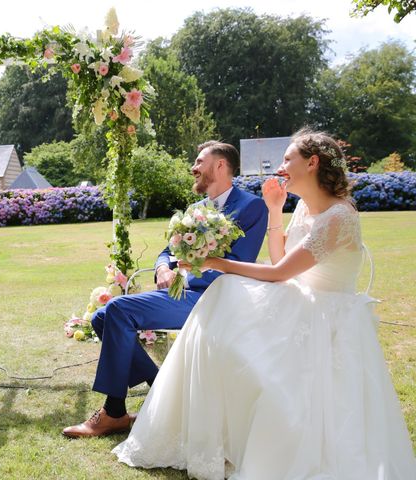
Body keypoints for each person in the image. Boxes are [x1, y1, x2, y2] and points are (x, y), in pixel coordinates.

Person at [113, 129, 416, 479]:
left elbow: (280, 272)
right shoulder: (303, 206)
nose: (282, 165)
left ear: (312, 163)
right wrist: (275, 209)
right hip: (298, 301)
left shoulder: (340, 217)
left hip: (328, 317)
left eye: (288, 159)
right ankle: (214, 429)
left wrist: (218, 263)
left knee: (226, 291)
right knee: (223, 302)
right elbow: (280, 256)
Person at [63, 141, 268, 438]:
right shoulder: (196, 209)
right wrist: (162, 267)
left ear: (221, 166)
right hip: (180, 293)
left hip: (215, 296)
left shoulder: (251, 206)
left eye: (200, 161)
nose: (194, 167)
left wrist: (198, 261)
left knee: (118, 309)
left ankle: (114, 412)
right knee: (102, 318)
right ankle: (160, 386)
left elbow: (241, 261)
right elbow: (167, 251)